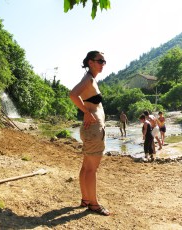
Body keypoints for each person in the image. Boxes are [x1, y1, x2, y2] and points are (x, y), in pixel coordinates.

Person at [68, 50, 110, 216]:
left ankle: (86, 199)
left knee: (86, 167)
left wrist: (87, 112)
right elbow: (73, 94)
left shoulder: (90, 79)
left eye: (104, 61)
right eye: (100, 61)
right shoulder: (88, 79)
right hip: (93, 129)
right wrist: (86, 112)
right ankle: (93, 204)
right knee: (92, 169)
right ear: (90, 62)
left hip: (90, 129)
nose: (103, 64)